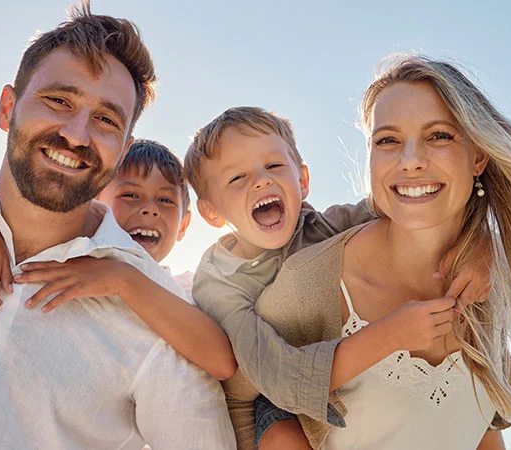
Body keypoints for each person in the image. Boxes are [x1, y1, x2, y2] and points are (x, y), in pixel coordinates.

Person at [0, 4, 235, 449]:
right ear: (7, 107)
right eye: (59, 100)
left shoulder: (156, 315)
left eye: (106, 119)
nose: (77, 134)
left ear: (123, 149)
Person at [249, 54, 511, 449]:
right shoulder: (311, 282)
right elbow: (238, 397)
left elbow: (481, 422)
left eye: (439, 136)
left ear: (479, 156)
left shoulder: (502, 276)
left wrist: (489, 243)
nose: (411, 160)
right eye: (388, 140)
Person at [183, 106, 494, 449]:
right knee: (283, 437)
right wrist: (390, 335)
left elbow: (416, 207)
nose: (261, 180)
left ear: (302, 181)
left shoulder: (329, 226)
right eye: (236, 178)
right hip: (267, 394)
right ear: (211, 212)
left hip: (330, 371)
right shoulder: (219, 283)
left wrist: (480, 245)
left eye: (273, 166)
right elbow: (274, 374)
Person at [0, 139, 237, 379]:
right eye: (131, 195)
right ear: (94, 202)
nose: (150, 210)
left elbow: (221, 362)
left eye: (165, 200)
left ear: (183, 226)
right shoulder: (66, 250)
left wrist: (121, 278)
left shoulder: (179, 288)